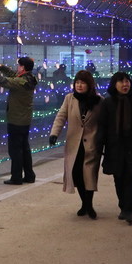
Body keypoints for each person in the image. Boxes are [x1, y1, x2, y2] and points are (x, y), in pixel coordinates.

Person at [95, 71, 132, 225]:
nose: (125, 84)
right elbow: (102, 126)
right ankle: (123, 207)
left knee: (130, 177)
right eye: (121, 81)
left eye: (127, 81)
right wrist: (99, 144)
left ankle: (130, 210)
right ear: (115, 84)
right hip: (114, 147)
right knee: (118, 177)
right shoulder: (107, 103)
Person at [49, 70, 103, 218]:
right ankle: (84, 203)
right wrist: (54, 133)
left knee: (89, 175)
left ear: (89, 84)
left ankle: (89, 205)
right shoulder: (69, 99)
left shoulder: (99, 101)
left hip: (91, 144)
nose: (79, 85)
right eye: (77, 82)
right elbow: (61, 117)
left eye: (83, 83)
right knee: (76, 174)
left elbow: (104, 122)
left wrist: (103, 141)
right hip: (74, 144)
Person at [0, 56, 39, 185]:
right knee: (25, 148)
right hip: (25, 119)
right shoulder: (29, 78)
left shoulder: (20, 82)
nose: (17, 68)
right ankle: (29, 175)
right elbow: (13, 75)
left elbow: (2, 81)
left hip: (16, 120)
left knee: (15, 150)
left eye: (19, 66)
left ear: (22, 67)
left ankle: (16, 177)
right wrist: (1, 66)